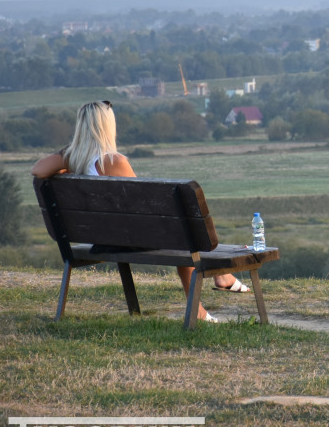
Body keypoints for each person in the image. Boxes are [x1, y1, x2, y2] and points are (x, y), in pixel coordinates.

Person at [30, 100, 249, 324]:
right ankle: (210, 295)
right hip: (128, 238)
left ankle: (219, 282)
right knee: (184, 235)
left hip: (101, 238)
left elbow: (37, 169)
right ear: (107, 126)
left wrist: (67, 157)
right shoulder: (115, 161)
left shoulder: (73, 158)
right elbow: (143, 204)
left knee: (183, 236)